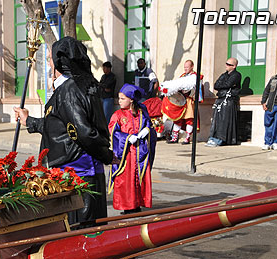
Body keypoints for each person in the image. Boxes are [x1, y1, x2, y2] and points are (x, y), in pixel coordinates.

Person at [14, 37, 114, 226]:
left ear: (59, 62)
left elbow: (82, 132)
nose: (49, 62)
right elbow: (60, 127)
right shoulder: (75, 86)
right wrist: (30, 121)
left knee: (82, 233)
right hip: (77, 171)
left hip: (79, 174)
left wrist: (106, 155)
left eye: (51, 58)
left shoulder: (70, 90)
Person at [108, 84, 156, 213]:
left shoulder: (141, 112)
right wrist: (127, 137)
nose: (119, 101)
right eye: (119, 98)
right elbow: (113, 130)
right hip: (126, 153)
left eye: (122, 99)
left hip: (140, 151)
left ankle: (137, 204)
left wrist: (146, 131)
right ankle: (127, 206)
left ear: (131, 100)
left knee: (138, 178)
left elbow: (148, 124)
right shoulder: (117, 114)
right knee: (125, 180)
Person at [162, 60, 203, 145]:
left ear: (192, 67)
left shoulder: (196, 76)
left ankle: (187, 138)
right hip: (180, 100)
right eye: (184, 67)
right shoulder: (183, 76)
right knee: (177, 119)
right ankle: (174, 137)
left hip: (189, 100)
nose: (185, 69)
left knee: (189, 119)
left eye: (187, 67)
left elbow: (197, 89)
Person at [206, 58, 242, 147]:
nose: (226, 66)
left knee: (224, 120)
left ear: (234, 66)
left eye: (229, 64)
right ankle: (213, 138)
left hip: (229, 100)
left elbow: (228, 84)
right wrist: (223, 85)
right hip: (220, 98)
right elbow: (216, 85)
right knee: (216, 120)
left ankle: (220, 139)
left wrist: (224, 85)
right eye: (226, 64)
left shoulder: (236, 75)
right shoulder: (224, 75)